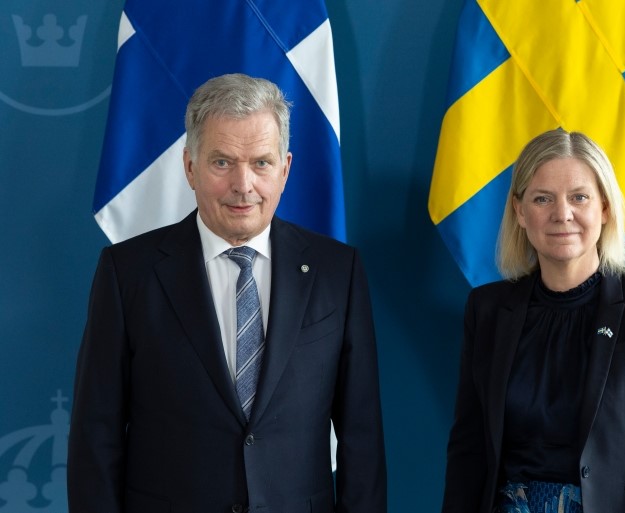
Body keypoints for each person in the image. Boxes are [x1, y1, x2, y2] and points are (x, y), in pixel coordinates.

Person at [67, 73, 387, 513]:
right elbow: (95, 435)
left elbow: (362, 437)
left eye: (261, 163)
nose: (243, 184)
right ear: (190, 167)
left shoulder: (337, 272)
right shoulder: (128, 273)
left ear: (285, 169)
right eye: (222, 162)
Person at [441, 129, 625, 513]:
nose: (562, 214)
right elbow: (469, 447)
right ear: (520, 212)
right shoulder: (487, 309)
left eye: (579, 197)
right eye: (542, 198)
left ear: (605, 208)